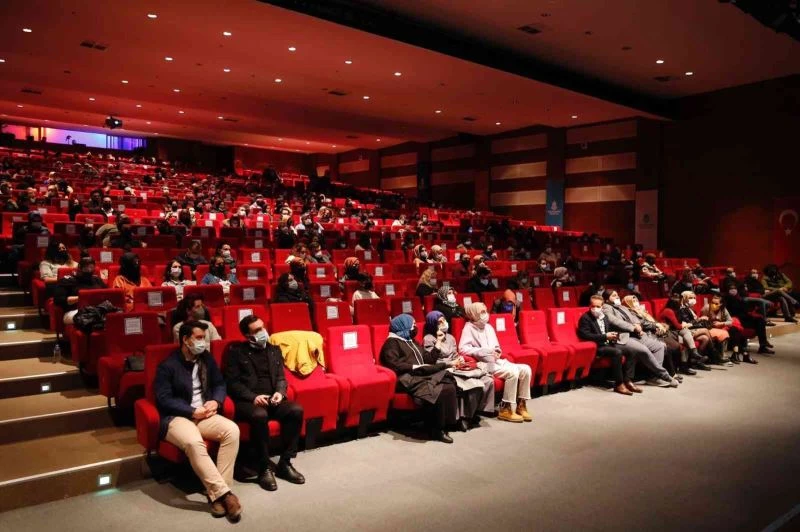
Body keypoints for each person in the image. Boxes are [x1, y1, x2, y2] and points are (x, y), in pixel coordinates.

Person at [154, 321, 242, 522]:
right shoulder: (168, 365)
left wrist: (216, 401)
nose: (204, 342)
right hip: (178, 417)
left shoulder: (206, 359)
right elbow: (164, 399)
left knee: (232, 430)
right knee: (194, 442)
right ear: (185, 340)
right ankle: (226, 496)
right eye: (199, 338)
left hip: (205, 414)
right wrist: (193, 411)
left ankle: (217, 494)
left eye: (204, 337)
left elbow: (220, 384)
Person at [223, 315, 305, 491]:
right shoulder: (236, 353)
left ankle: (285, 463)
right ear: (248, 336)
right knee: (259, 415)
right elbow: (232, 383)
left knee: (296, 410)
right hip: (249, 402)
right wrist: (253, 397)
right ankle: (264, 467)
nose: (263, 332)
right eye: (257, 330)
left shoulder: (274, 350)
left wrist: (280, 393)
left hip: (272, 399)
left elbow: (281, 377)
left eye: (262, 327)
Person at [379, 314, 459, 443]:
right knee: (439, 390)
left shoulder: (412, 341)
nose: (415, 327)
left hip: (421, 373)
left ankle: (448, 423)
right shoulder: (391, 343)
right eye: (413, 325)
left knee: (449, 384)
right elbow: (394, 365)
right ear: (403, 326)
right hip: (405, 378)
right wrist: (415, 367)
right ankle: (436, 430)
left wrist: (439, 341)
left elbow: (429, 360)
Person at [459, 302, 532, 423]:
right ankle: (505, 409)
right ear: (474, 314)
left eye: (485, 311)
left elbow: (496, 346)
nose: (485, 314)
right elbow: (462, 349)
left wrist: (497, 351)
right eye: (482, 312)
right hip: (484, 364)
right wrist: (482, 351)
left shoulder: (488, 327)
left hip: (496, 361)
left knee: (526, 369)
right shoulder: (468, 328)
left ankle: (521, 404)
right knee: (512, 372)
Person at [422, 311, 493, 431]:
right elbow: (430, 361)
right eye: (439, 322)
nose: (444, 323)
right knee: (471, 384)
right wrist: (439, 342)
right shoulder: (429, 338)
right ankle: (463, 418)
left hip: (456, 367)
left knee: (487, 380)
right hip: (443, 369)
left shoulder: (450, 337)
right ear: (433, 324)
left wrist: (459, 359)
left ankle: (473, 413)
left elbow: (455, 354)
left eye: (444, 320)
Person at [601, 290, 678, 387]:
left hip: (636, 335)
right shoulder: (606, 308)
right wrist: (633, 327)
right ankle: (664, 375)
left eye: (617, 295)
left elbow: (635, 319)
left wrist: (638, 325)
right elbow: (615, 321)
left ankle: (653, 377)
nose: (617, 297)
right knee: (644, 350)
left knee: (659, 346)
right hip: (623, 337)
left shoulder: (622, 307)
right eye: (614, 295)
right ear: (607, 300)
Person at [577, 296, 639, 395]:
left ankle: (628, 380)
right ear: (589, 306)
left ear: (602, 307)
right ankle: (619, 384)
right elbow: (585, 335)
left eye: (598, 306)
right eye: (593, 306)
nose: (595, 309)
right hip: (597, 346)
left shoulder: (604, 316)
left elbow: (609, 329)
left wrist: (614, 335)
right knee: (617, 352)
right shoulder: (585, 318)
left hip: (608, 344)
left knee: (631, 351)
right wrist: (605, 336)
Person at [621, 295, 682, 381]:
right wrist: (656, 326)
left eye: (636, 301)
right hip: (644, 334)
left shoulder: (641, 311)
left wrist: (658, 325)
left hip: (652, 332)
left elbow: (651, 321)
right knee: (666, 347)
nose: (636, 303)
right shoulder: (630, 312)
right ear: (628, 303)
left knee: (674, 346)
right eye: (633, 301)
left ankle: (670, 372)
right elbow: (642, 324)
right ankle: (666, 374)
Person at [660, 295, 711, 372]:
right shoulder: (668, 311)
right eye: (680, 302)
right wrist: (686, 325)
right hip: (668, 333)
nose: (681, 304)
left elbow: (678, 324)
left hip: (675, 331)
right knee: (686, 334)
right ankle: (691, 358)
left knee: (704, 337)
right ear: (675, 304)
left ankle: (693, 359)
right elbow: (678, 326)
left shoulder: (676, 310)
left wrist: (684, 325)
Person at [53, 257, 107, 324]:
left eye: (91, 267)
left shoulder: (97, 279)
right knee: (92, 316)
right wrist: (83, 298)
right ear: (79, 267)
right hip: (74, 311)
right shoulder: (67, 280)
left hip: (97, 309)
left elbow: (106, 294)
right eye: (86, 268)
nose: (89, 270)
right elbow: (58, 300)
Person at [723, 286, 772, 358]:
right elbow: (730, 313)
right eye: (731, 289)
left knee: (760, 320)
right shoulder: (726, 299)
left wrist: (750, 316)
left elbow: (745, 311)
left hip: (744, 318)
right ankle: (762, 344)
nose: (733, 290)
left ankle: (763, 346)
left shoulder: (740, 299)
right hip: (736, 320)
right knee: (757, 321)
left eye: (735, 289)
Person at [699, 295, 734, 366]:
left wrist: (721, 323)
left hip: (718, 328)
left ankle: (721, 355)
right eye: (712, 303)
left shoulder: (723, 310)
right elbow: (700, 321)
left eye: (716, 304)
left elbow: (730, 321)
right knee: (724, 333)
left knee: (727, 332)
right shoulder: (706, 308)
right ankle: (719, 357)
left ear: (721, 304)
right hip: (707, 328)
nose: (713, 305)